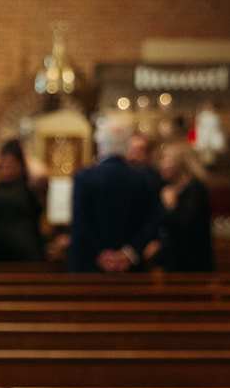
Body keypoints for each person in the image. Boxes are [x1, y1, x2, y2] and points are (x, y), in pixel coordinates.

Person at [68, 115, 162, 273]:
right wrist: (128, 253)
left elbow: (81, 223)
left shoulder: (84, 178)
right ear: (127, 145)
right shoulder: (145, 178)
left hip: (90, 270)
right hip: (132, 271)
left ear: (100, 144)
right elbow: (153, 221)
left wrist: (101, 254)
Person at [153, 142, 215, 272]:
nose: (161, 165)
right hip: (172, 262)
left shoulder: (195, 189)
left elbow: (186, 226)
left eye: (166, 160)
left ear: (180, 164)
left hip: (192, 264)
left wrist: (170, 206)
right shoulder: (166, 187)